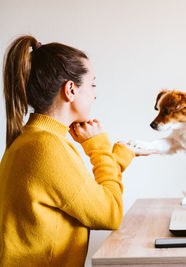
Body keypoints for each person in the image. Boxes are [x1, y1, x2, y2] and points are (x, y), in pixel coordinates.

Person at [0, 35, 153, 266]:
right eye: (92, 84)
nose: (94, 94)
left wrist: (119, 156)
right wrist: (98, 147)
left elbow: (82, 195)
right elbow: (110, 214)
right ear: (71, 89)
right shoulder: (46, 148)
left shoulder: (33, 139)